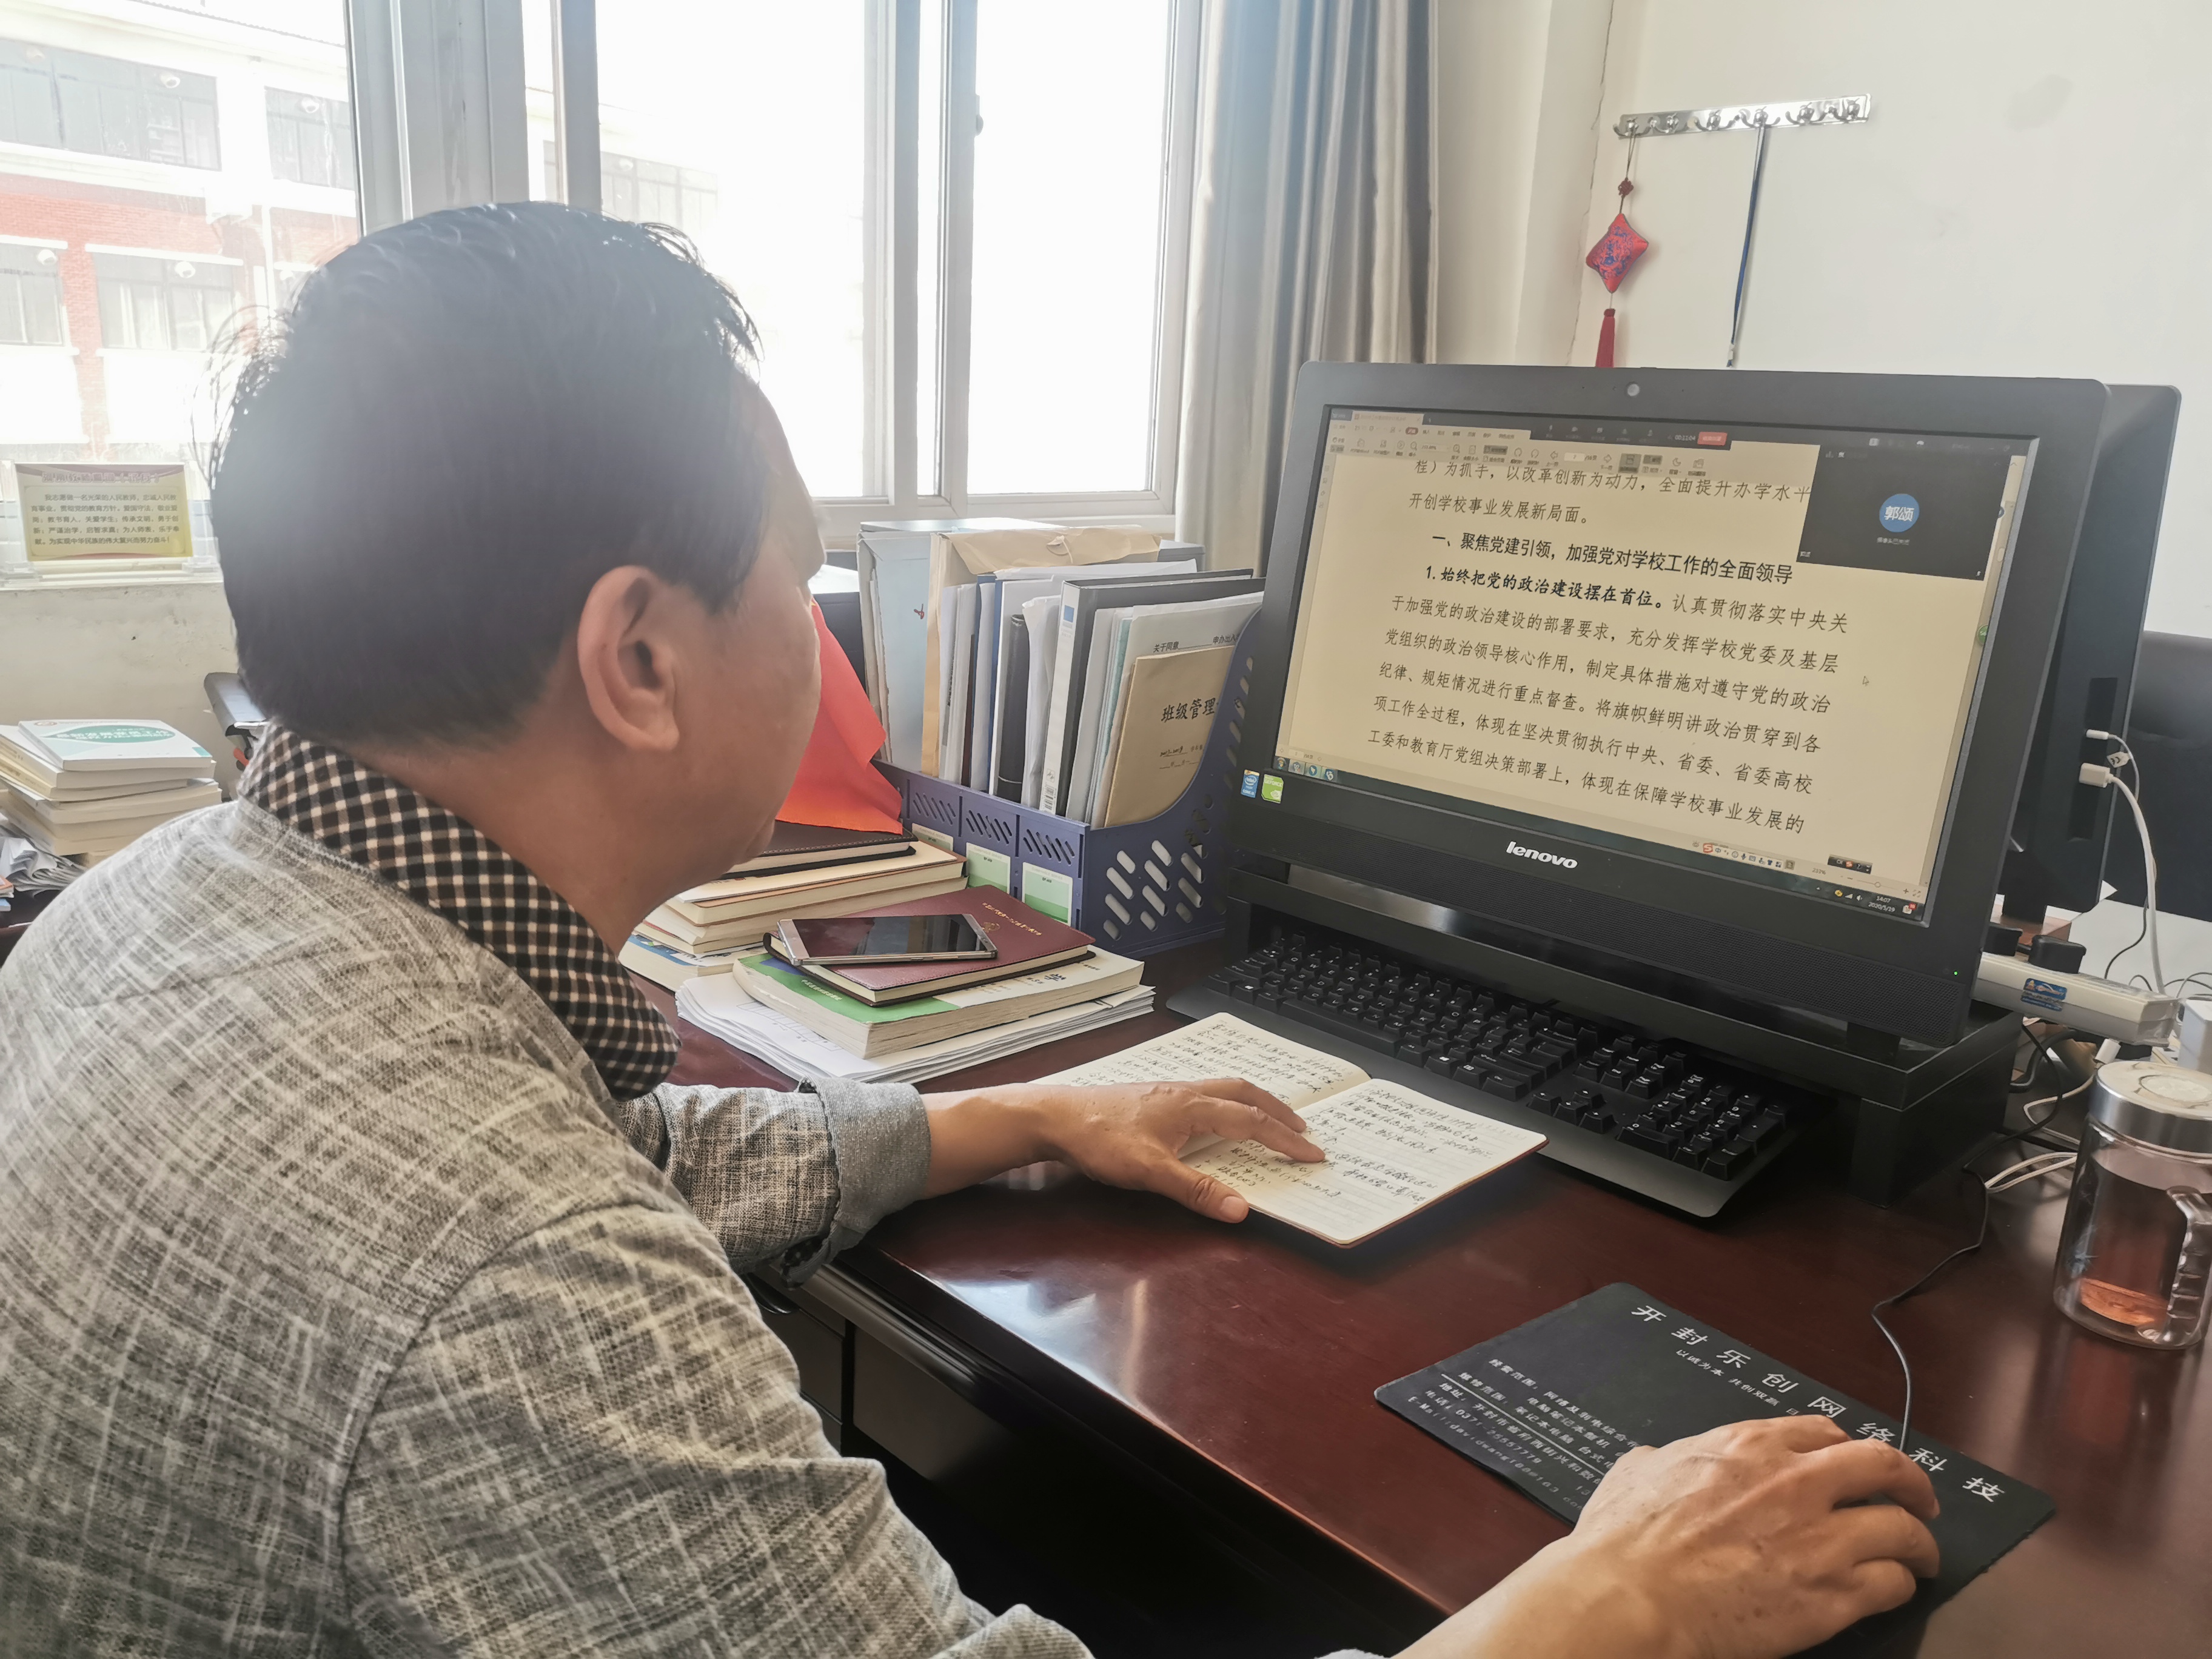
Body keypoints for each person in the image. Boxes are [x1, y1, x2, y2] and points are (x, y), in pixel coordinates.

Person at [0, 204, 1939, 1658]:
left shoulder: (156, 902)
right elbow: (526, 1242)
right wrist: (1610, 1605)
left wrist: (1005, 1123)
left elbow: (590, 1165)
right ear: (642, 659)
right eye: (803, 579)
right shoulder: (506, 1280)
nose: (823, 632)